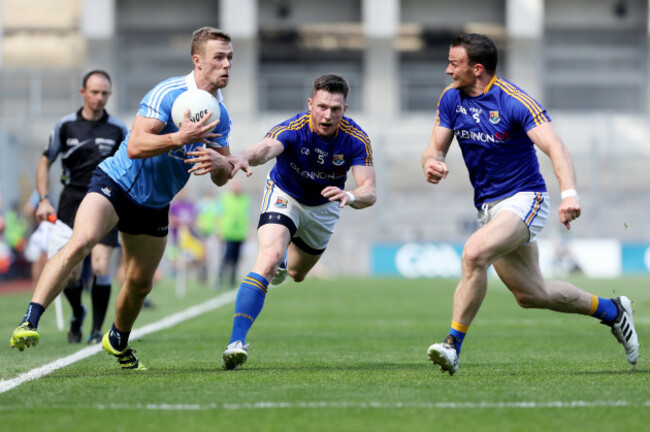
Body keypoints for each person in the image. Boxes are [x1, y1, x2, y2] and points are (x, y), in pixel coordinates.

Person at [9, 26, 235, 371]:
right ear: (197, 61)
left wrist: (221, 163)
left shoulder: (221, 115)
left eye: (230, 58)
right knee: (81, 241)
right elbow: (135, 146)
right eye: (218, 57)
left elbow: (220, 177)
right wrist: (179, 137)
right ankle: (30, 320)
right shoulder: (169, 92)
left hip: (155, 203)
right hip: (116, 182)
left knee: (141, 282)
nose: (226, 65)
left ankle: (117, 339)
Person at [421, 33, 639, 375]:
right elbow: (434, 148)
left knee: (475, 253)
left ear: (477, 69)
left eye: (454, 63)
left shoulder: (515, 101)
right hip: (490, 208)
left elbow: (555, 146)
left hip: (526, 199)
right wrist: (431, 162)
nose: (448, 70)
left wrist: (569, 193)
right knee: (532, 295)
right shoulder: (451, 99)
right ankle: (613, 311)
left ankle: (452, 345)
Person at [221, 74, 377, 370]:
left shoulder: (357, 140)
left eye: (335, 109)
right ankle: (236, 343)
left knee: (296, 272)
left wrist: (351, 195)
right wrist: (243, 156)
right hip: (285, 195)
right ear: (310, 104)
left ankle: (284, 263)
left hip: (324, 208)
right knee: (267, 260)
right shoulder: (293, 129)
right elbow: (265, 149)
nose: (327, 115)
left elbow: (369, 191)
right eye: (321, 107)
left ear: (345, 108)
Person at [34, 70, 127, 344]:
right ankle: (78, 313)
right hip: (70, 204)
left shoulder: (118, 129)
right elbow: (44, 162)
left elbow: (129, 165)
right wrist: (43, 198)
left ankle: (98, 330)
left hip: (106, 202)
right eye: (95, 92)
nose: (99, 98)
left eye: (104, 93)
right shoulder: (65, 126)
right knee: (71, 274)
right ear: (83, 92)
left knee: (100, 265)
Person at [217, 179, 251, 288]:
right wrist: (219, 231)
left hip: (240, 233)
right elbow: (219, 216)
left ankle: (232, 279)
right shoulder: (225, 198)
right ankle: (220, 278)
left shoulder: (245, 200)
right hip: (228, 232)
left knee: (236, 257)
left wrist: (247, 231)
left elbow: (247, 217)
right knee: (227, 257)